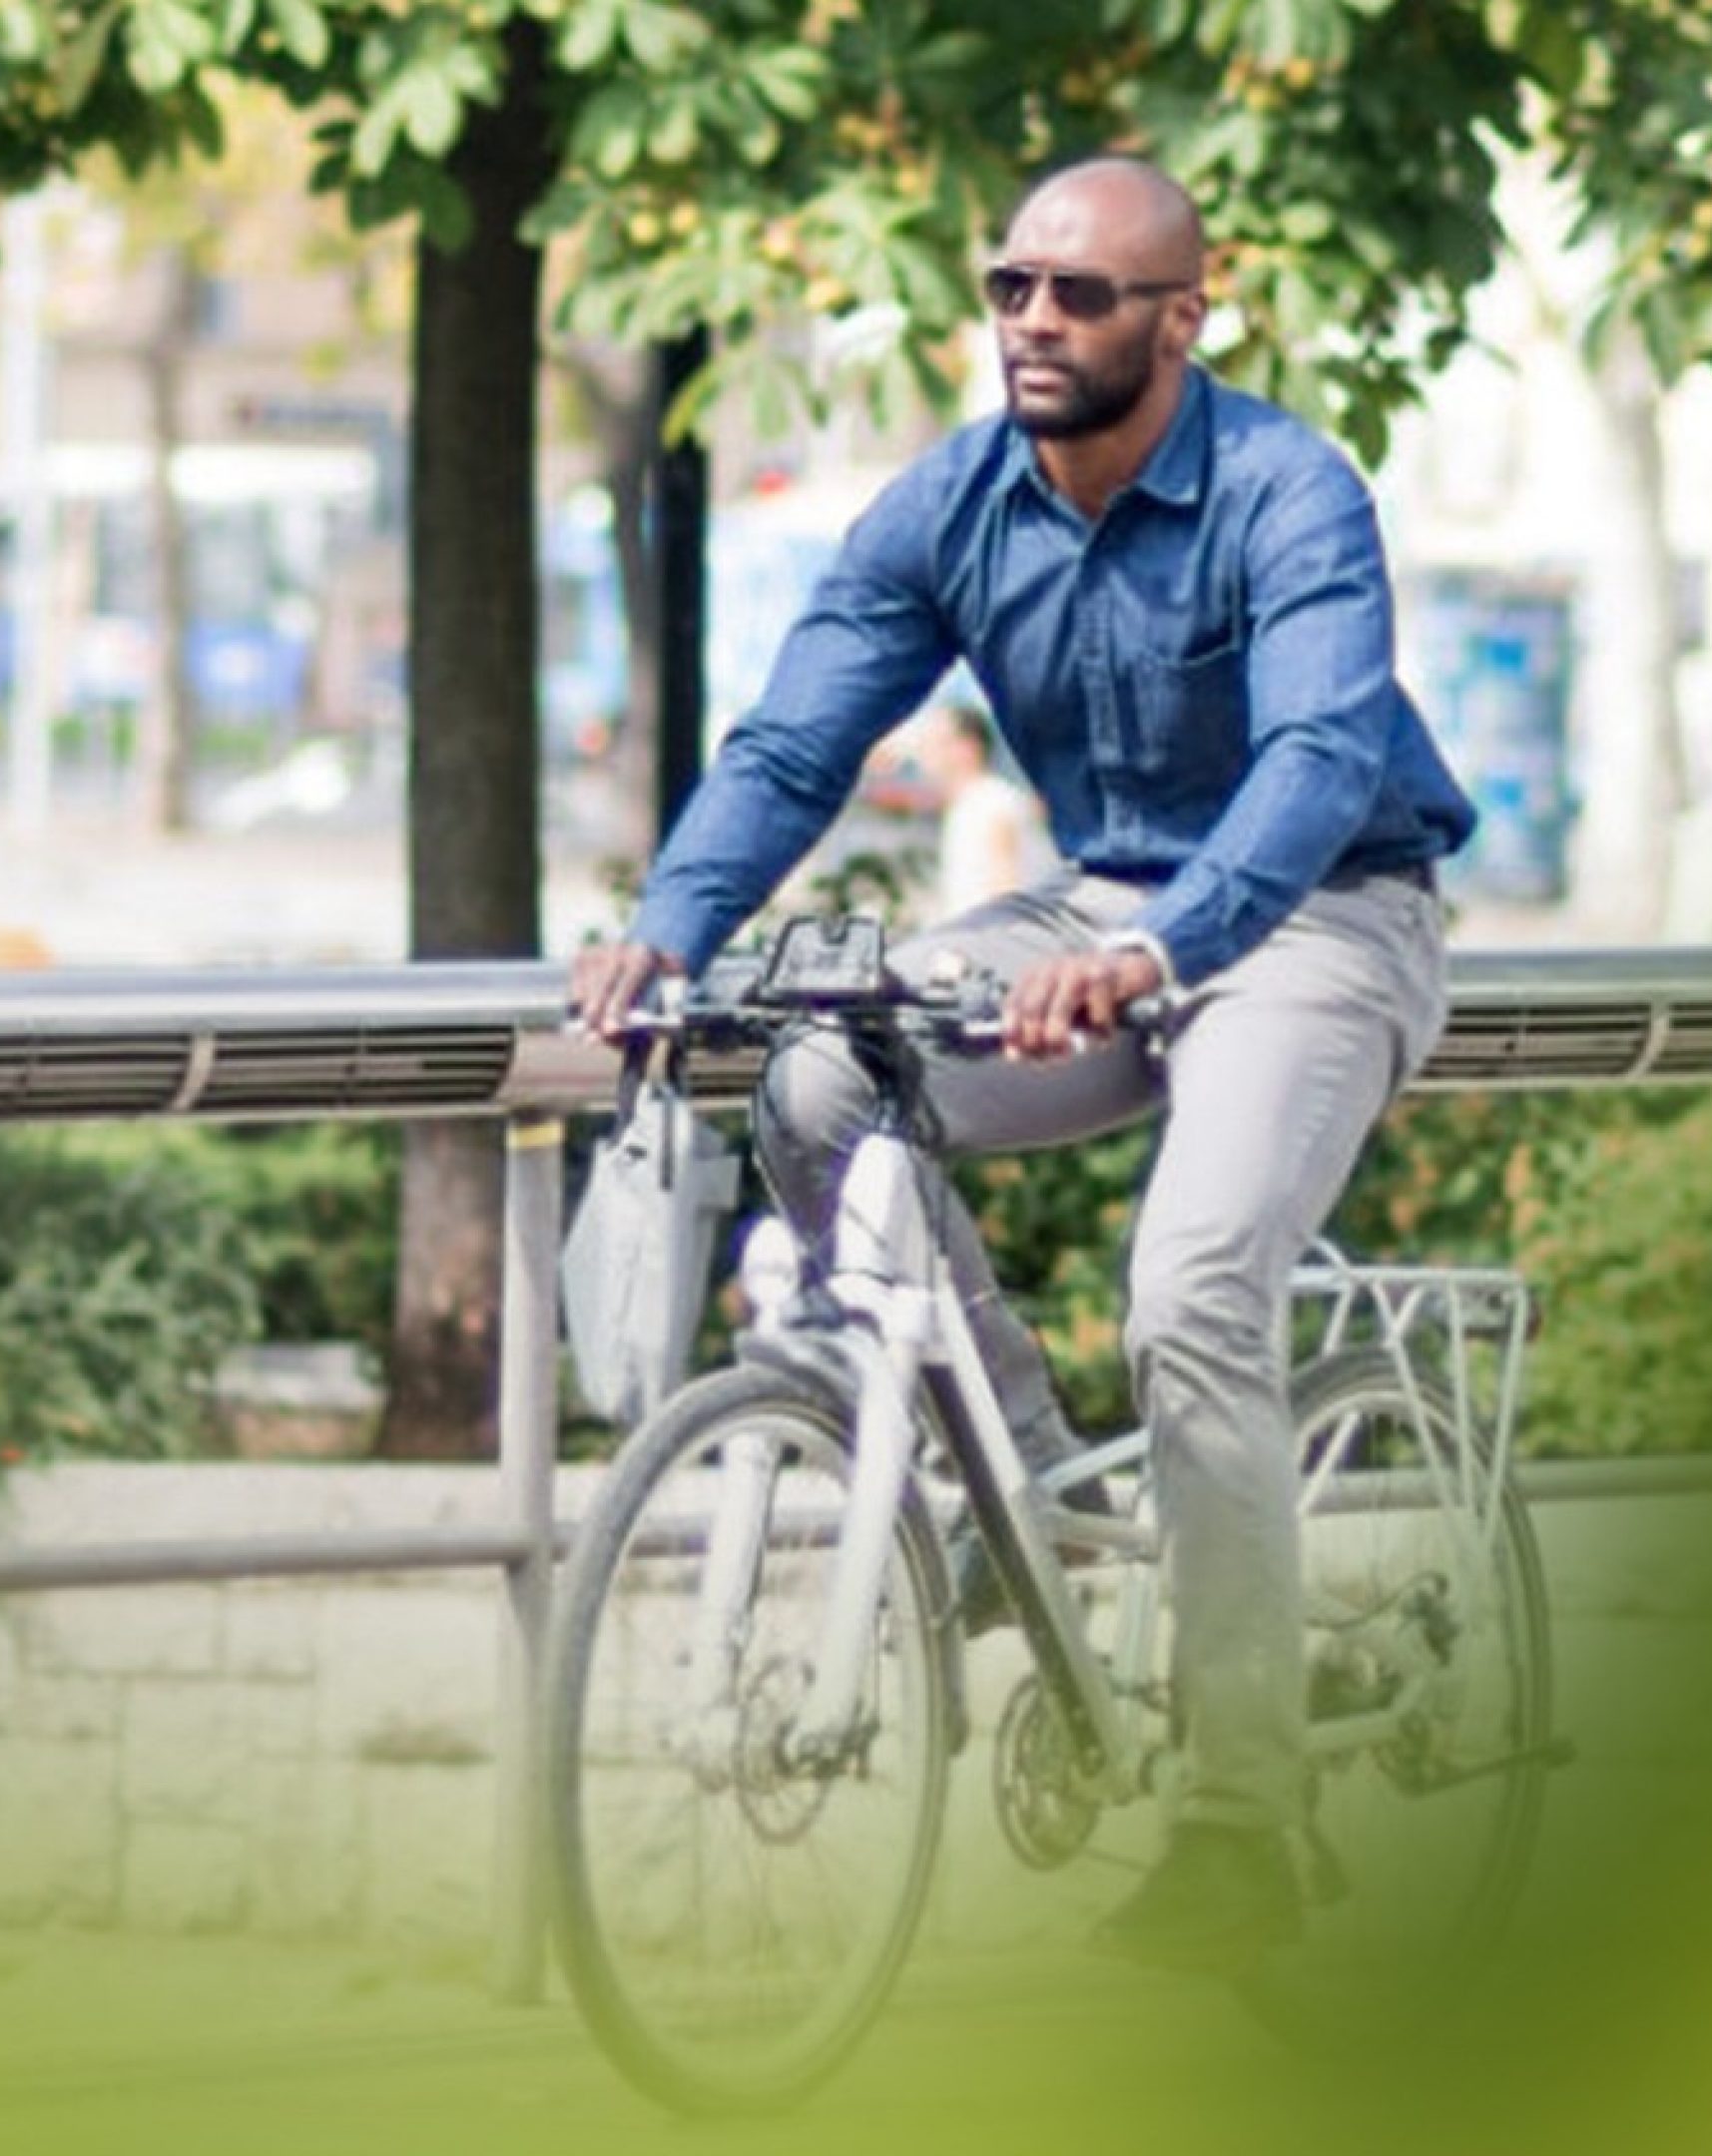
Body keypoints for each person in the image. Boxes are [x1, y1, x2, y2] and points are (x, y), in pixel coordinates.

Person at [565, 155, 1473, 1971]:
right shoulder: (955, 503)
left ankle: (1244, 1822)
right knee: (821, 1082)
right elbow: (794, 741)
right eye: (1012, 289)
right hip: (1098, 913)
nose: (1036, 323)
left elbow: (1309, 766)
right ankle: (1038, 1516)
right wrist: (666, 925)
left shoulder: (1292, 493)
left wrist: (1162, 948)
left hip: (1321, 919)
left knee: (1196, 1285)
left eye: (1082, 297)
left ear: (1181, 318)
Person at [917, 699, 1052, 915]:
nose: (924, 754)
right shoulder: (970, 803)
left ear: (967, 747)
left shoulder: (989, 803)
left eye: (934, 743)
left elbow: (1006, 890)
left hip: (999, 940)